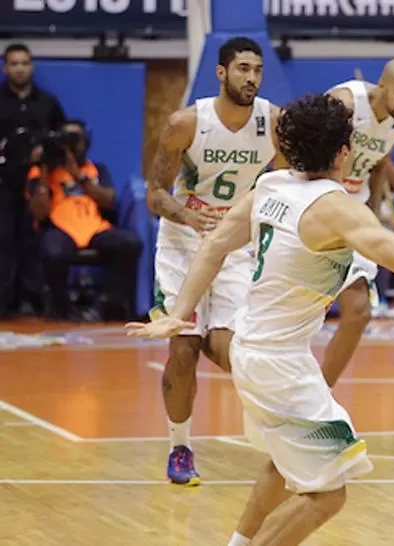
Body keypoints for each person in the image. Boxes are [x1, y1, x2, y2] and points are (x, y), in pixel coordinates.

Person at [124, 92, 394, 546]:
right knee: (327, 495)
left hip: (255, 350)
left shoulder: (270, 186)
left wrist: (179, 314)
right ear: (343, 152)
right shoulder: (334, 206)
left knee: (284, 464)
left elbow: (214, 246)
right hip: (279, 366)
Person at [145, 37, 286, 486]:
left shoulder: (273, 122)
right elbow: (155, 195)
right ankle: (180, 446)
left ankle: (285, 437)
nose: (252, 78)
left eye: (257, 70)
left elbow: (284, 183)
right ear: (222, 73)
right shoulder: (186, 123)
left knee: (234, 350)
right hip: (183, 243)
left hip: (235, 245)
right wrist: (189, 216)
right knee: (183, 347)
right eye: (243, 68)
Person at [318, 59, 394, 386]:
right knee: (300, 315)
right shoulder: (344, 103)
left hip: (355, 211)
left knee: (359, 311)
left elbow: (378, 167)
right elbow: (307, 152)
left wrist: (374, 222)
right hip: (318, 206)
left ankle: (321, 393)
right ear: (381, 86)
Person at [26, 119, 143, 321]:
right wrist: (44, 174)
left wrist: (78, 175)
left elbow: (109, 201)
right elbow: (38, 213)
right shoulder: (41, 172)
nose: (70, 145)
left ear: (85, 142)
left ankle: (110, 303)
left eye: (75, 139)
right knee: (54, 251)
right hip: (59, 228)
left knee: (130, 243)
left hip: (94, 228)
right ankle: (61, 307)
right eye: (65, 139)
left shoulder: (95, 169)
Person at [0, 43, 67, 318]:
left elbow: (61, 140)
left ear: (32, 66)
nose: (19, 68)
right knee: (3, 240)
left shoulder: (47, 102)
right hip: (3, 184)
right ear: (5, 68)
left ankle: (31, 299)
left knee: (32, 241)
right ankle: (4, 300)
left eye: (24, 63)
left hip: (38, 185)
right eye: (13, 63)